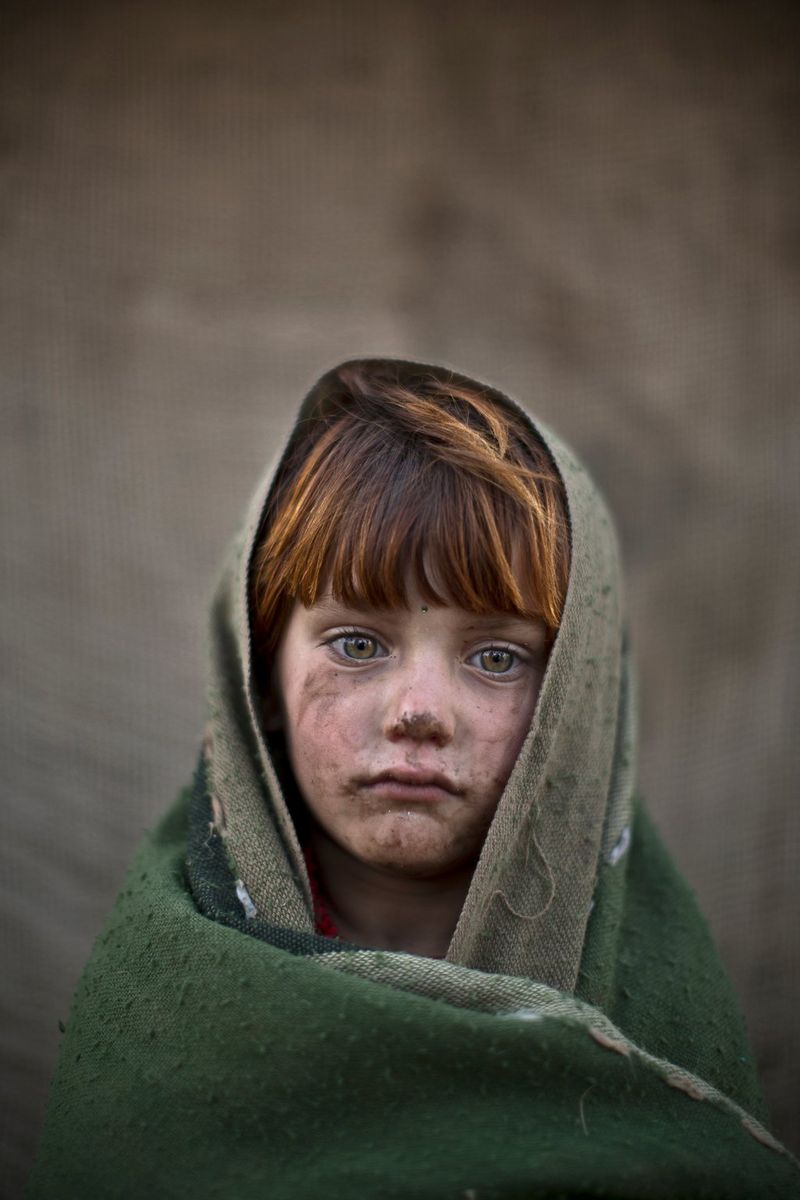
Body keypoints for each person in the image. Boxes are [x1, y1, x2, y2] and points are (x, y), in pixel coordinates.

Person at [29, 359, 798, 1198]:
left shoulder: (663, 1019)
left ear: (573, 707)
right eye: (357, 644)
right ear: (259, 679)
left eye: (497, 657)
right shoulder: (157, 1021)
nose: (419, 711)